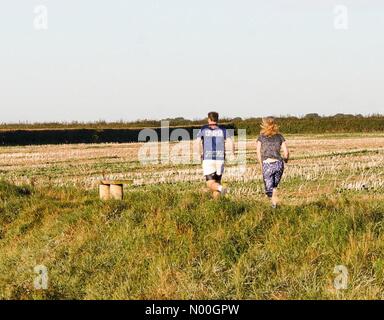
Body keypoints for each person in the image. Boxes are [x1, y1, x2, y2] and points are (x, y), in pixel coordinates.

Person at [196, 112, 233, 199]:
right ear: (217, 119)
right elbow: (230, 142)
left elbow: (197, 143)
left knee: (210, 184)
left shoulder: (203, 129)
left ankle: (222, 188)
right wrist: (232, 153)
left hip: (208, 159)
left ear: (208, 119)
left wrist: (198, 154)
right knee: (217, 182)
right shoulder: (223, 129)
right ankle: (217, 204)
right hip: (220, 159)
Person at [256, 117, 289, 208]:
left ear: (264, 125)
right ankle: (275, 206)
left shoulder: (261, 137)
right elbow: (286, 152)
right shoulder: (280, 136)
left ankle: (274, 206)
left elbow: (258, 152)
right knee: (274, 187)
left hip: (267, 164)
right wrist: (285, 160)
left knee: (269, 190)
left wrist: (261, 164)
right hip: (279, 164)